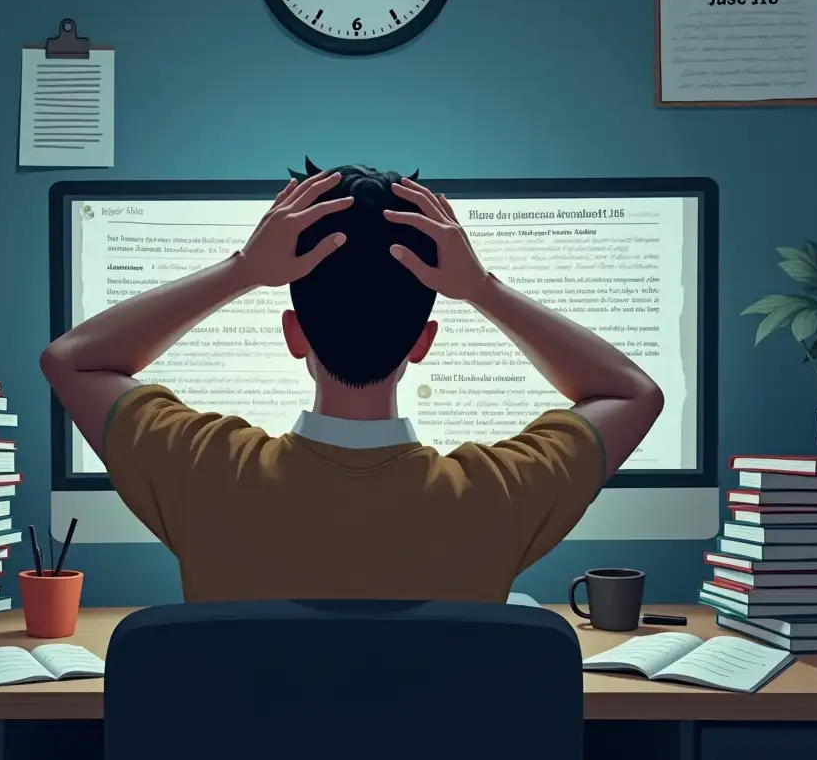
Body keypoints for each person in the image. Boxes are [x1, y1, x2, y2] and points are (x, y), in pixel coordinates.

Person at [41, 163, 663, 602]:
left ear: (293, 334)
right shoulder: (495, 497)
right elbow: (631, 393)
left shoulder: (205, 473)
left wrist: (243, 268)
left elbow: (74, 360)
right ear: (424, 343)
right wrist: (480, 288)